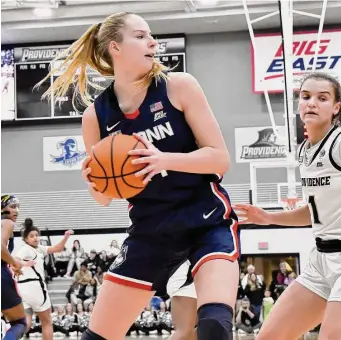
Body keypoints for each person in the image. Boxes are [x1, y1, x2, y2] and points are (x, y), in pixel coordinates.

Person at [37, 12, 239, 340]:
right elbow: (103, 199)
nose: (153, 42)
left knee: (215, 326)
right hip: (150, 229)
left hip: (205, 219)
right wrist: (93, 180)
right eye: (142, 36)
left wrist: (163, 159)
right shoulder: (96, 115)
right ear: (115, 47)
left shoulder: (178, 86)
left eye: (151, 35)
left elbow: (220, 159)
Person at [234, 72, 341, 340]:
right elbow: (313, 212)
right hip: (319, 262)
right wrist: (267, 217)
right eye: (305, 97)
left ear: (336, 107)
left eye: (322, 98)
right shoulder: (305, 150)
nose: (312, 103)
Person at [15, 218, 74, 340]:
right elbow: (14, 262)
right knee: (47, 322)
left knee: (27, 323)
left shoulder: (39, 248)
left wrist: (65, 237)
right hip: (35, 288)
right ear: (26, 239)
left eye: (37, 235)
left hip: (22, 290)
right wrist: (25, 264)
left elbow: (56, 248)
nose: (35, 238)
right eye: (32, 236)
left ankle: (8, 336)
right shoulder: (25, 249)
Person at [1, 195, 34, 340]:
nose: (17, 211)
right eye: (13, 207)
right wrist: (14, 262)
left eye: (18, 207)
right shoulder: (6, 222)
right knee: (20, 322)